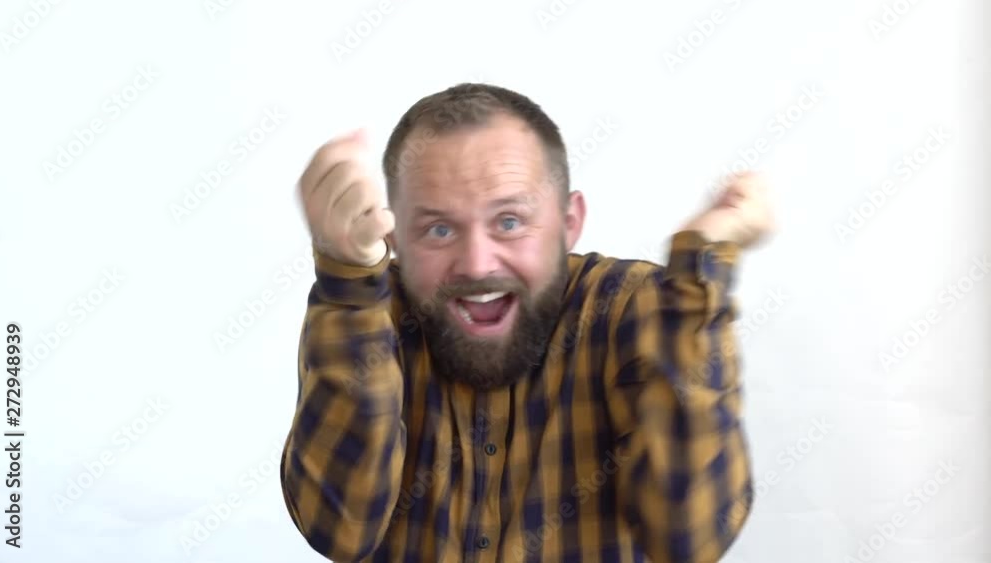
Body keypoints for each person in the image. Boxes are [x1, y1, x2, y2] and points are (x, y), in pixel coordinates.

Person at [279, 83, 774, 562]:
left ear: (568, 223)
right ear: (396, 237)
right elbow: (338, 530)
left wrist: (698, 272)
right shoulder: (372, 314)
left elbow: (688, 539)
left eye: (509, 222)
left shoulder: (634, 309)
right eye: (439, 228)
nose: (477, 264)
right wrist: (348, 284)